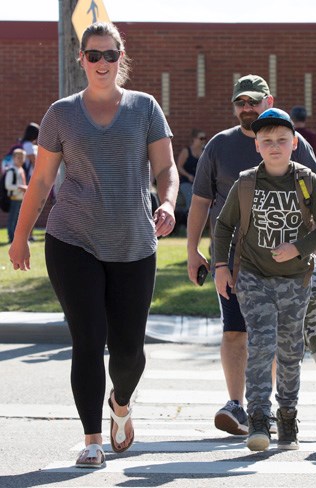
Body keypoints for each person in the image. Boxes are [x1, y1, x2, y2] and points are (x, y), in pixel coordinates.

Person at [8, 22, 179, 469]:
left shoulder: (145, 108)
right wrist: (20, 236)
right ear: (81, 58)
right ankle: (91, 439)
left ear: (122, 58)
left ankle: (120, 403)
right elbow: (42, 179)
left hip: (134, 242)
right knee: (88, 339)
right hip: (73, 239)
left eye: (110, 55)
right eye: (93, 55)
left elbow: (166, 169)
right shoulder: (61, 113)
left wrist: (167, 202)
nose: (102, 63)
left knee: (128, 352)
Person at [187, 74, 316, 436]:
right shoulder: (219, 146)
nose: (247, 108)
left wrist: (311, 248)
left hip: (289, 263)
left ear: (269, 101)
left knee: (277, 338)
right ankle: (239, 405)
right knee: (236, 330)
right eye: (241, 102)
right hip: (237, 261)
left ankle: (268, 410)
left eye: (254, 101)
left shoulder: (294, 144)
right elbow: (202, 201)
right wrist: (194, 251)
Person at [212, 108, 316, 451]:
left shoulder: (306, 180)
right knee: (261, 346)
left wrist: (299, 247)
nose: (275, 146)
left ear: (294, 143)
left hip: (296, 279)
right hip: (253, 276)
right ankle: (258, 420)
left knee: (290, 350)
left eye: (282, 140)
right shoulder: (247, 182)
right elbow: (224, 226)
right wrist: (221, 266)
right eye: (267, 140)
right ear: (257, 144)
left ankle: (287, 416)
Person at [175, 128, 205, 210]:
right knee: (191, 196)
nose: (203, 140)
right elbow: (179, 166)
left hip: (199, 182)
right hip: (187, 181)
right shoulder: (186, 151)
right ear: (194, 139)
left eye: (204, 138)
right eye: (201, 138)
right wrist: (188, 176)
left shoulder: (204, 151)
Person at [4, 149, 28, 243]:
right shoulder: (11, 170)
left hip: (21, 198)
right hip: (14, 198)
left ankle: (16, 238)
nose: (21, 160)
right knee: (12, 219)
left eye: (22, 158)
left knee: (18, 220)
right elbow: (8, 185)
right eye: (18, 157)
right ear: (13, 158)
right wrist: (20, 187)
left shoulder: (21, 169)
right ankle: (11, 238)